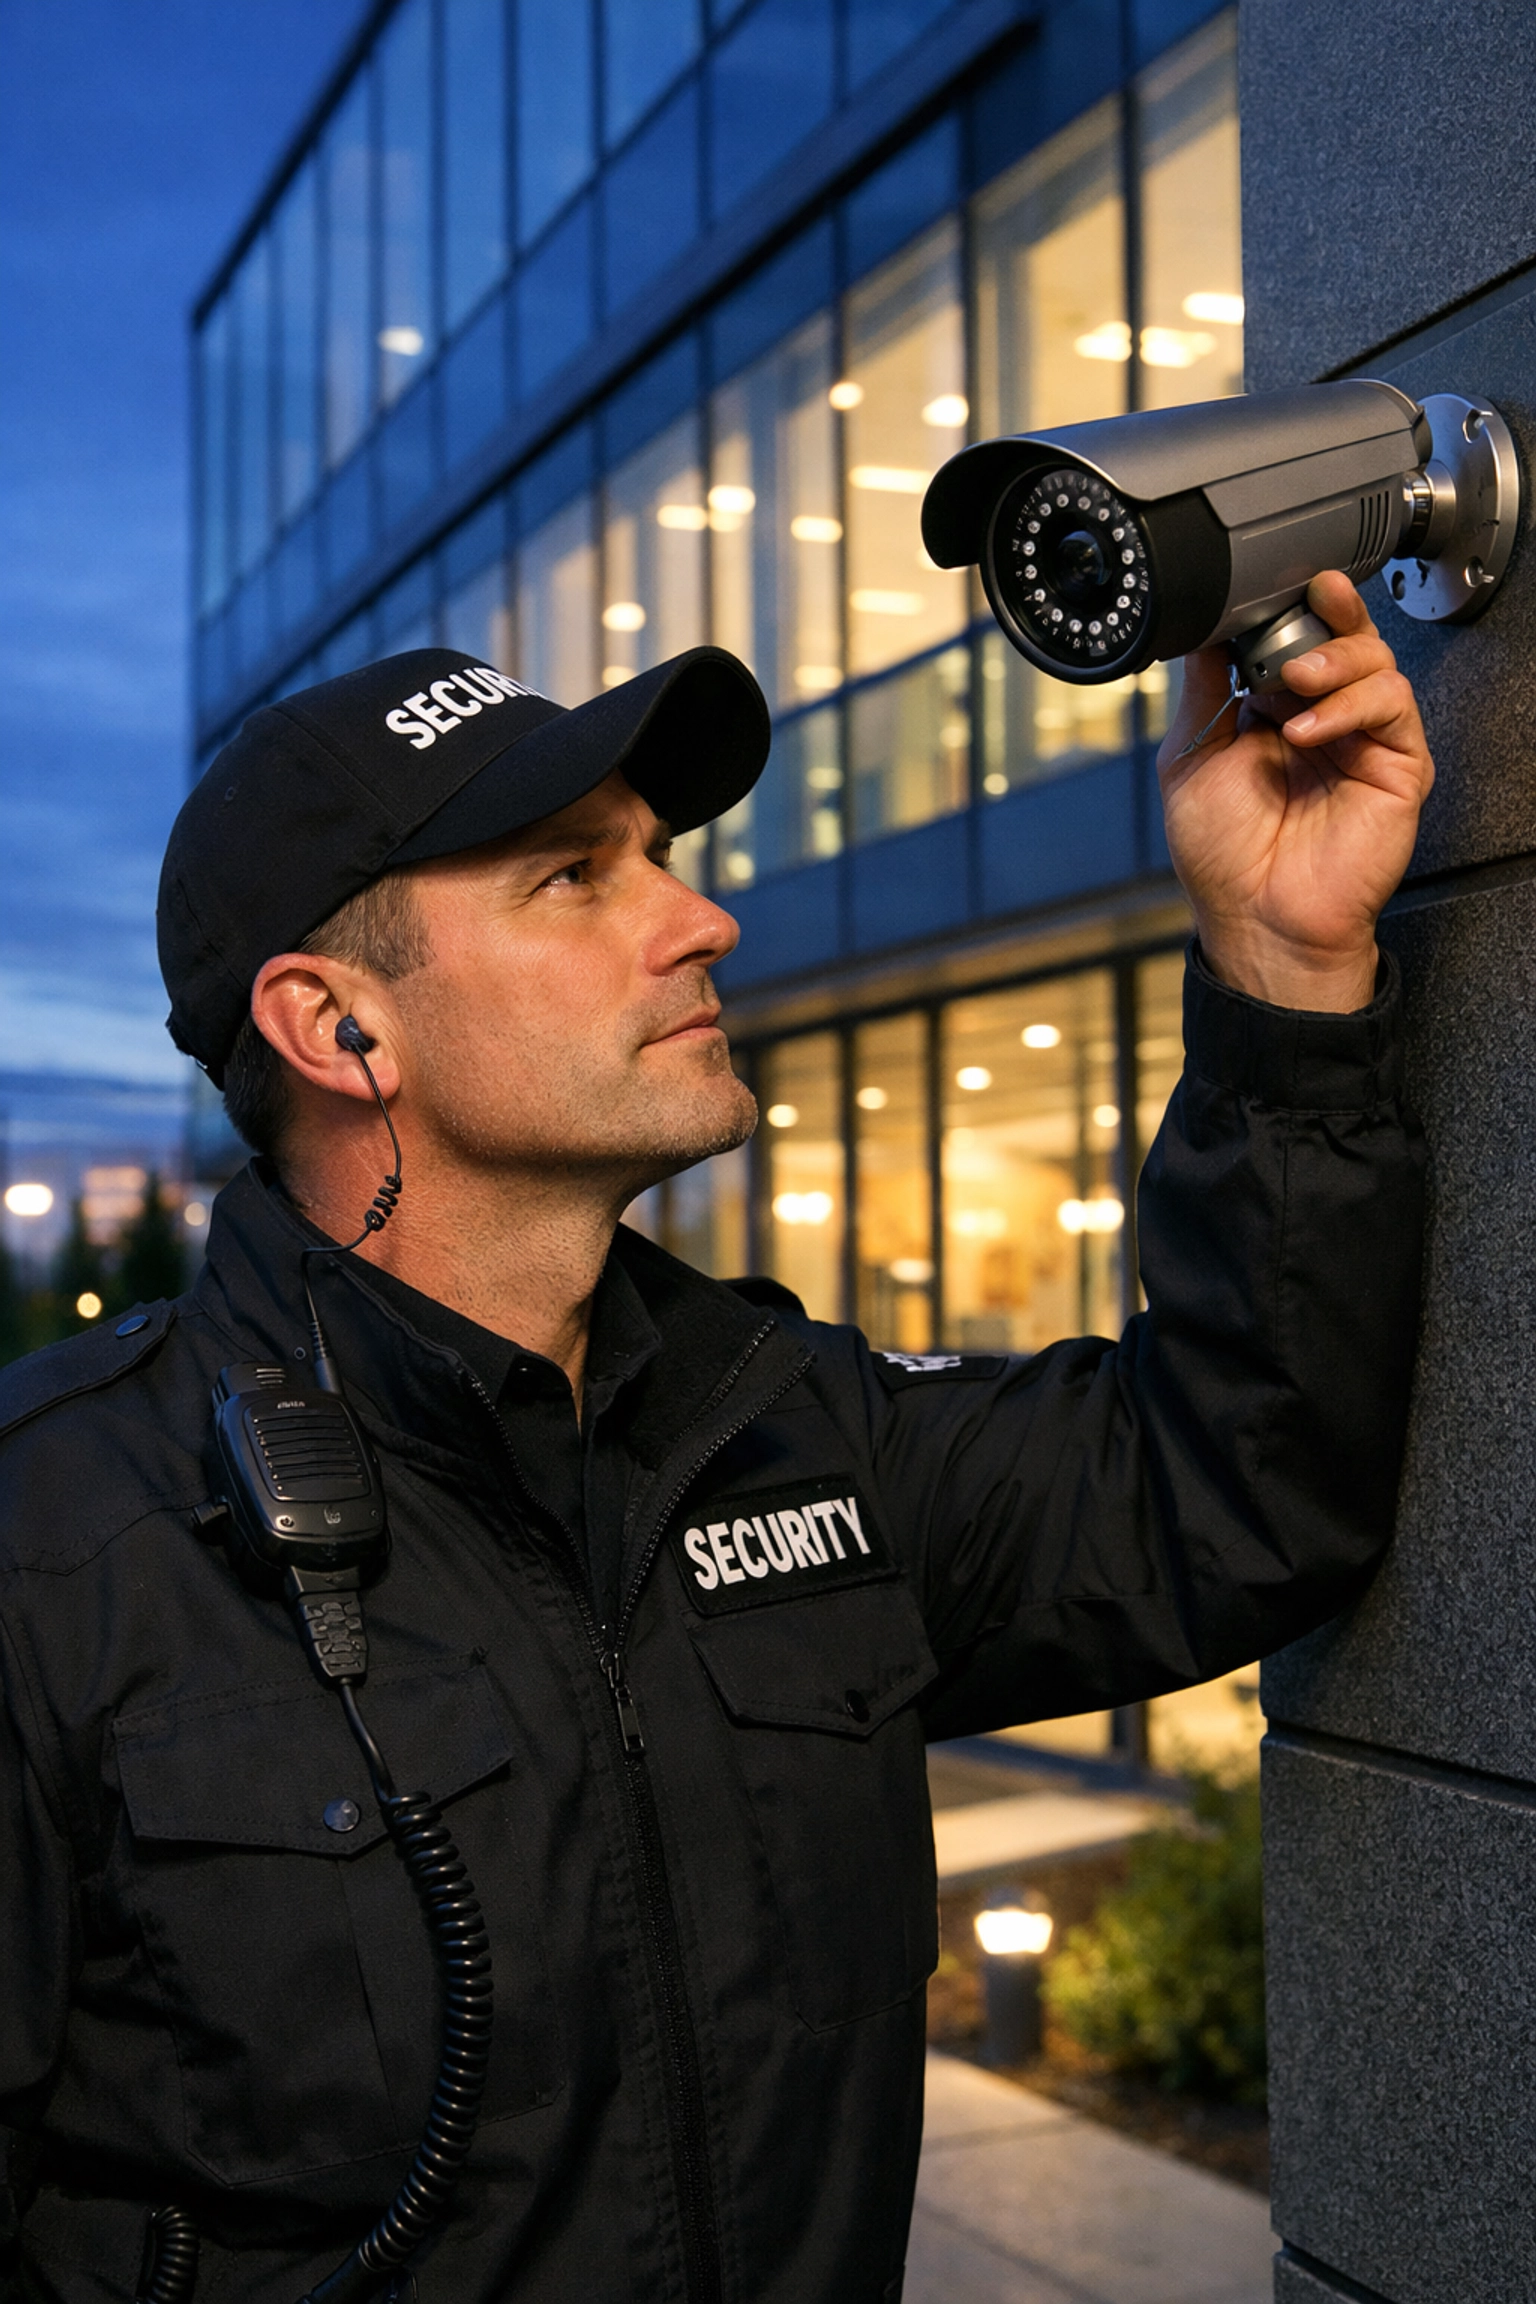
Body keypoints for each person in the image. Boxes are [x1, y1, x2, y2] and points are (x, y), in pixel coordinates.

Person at [0, 574, 1430, 2304]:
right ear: (337, 1026)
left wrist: (1285, 965)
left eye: (657, 855)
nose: (699, 924)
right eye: (574, 877)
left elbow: (1235, 1485)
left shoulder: (792, 1428)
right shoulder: (58, 1537)